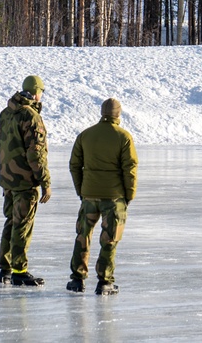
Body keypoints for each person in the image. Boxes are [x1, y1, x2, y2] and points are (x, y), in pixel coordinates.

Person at [66, 98, 138, 295]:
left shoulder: (85, 135)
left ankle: (77, 279)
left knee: (83, 236)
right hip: (114, 198)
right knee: (109, 239)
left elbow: (74, 165)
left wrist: (81, 190)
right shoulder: (123, 137)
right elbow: (129, 168)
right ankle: (105, 281)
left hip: (89, 196)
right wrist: (129, 194)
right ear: (118, 114)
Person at [0, 74, 51, 287]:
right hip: (24, 181)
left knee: (11, 222)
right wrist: (45, 181)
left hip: (8, 179)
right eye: (41, 92)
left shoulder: (5, 113)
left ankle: (5, 269)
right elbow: (35, 154)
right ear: (36, 92)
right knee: (22, 225)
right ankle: (19, 270)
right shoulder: (31, 117)